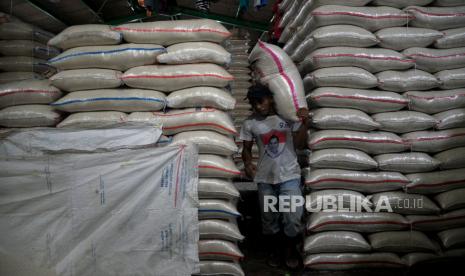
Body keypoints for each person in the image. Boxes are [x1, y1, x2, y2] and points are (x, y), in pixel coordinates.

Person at [240, 84, 310, 269]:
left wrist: (305, 122)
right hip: (265, 180)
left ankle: (291, 250)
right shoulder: (250, 123)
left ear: (270, 99)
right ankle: (275, 251)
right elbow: (246, 149)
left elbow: (301, 144)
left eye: (260, 101)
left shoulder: (287, 118)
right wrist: (248, 164)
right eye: (254, 103)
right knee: (269, 220)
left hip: (289, 176)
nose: (257, 107)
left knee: (293, 218)